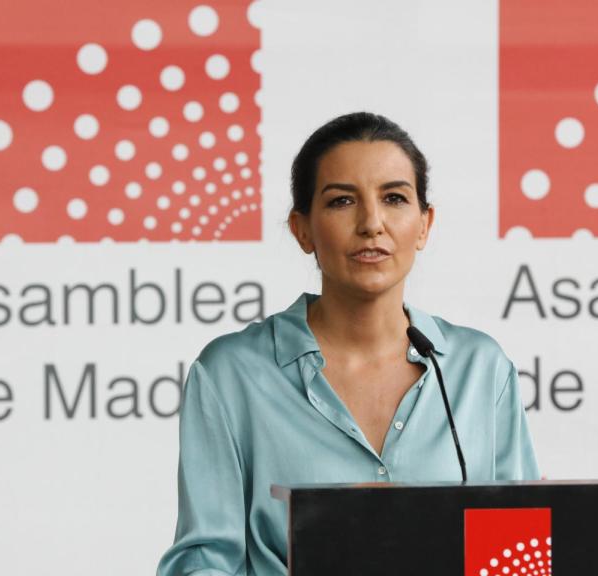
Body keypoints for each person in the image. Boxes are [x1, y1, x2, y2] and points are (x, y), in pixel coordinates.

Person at [157, 112, 539, 576]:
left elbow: (519, 552)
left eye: (395, 198)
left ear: (424, 225)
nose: (372, 223)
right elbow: (203, 565)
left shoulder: (481, 369)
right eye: (342, 201)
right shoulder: (231, 374)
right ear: (301, 229)